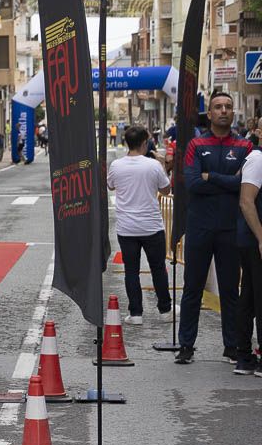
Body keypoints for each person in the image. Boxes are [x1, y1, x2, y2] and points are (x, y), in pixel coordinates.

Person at [176, 92, 253, 365]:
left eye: (228, 107)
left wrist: (212, 177)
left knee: (231, 290)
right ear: (209, 114)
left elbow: (245, 184)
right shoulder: (196, 144)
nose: (223, 111)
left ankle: (231, 346)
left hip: (231, 228)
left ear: (233, 113)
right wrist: (226, 181)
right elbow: (193, 183)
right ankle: (186, 345)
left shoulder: (245, 147)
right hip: (199, 227)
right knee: (192, 288)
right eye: (218, 107)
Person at [106, 125, 172, 325]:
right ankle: (165, 311)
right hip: (151, 226)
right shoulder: (152, 165)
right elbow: (167, 190)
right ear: (145, 143)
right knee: (158, 268)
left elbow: (110, 185)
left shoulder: (117, 165)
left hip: (127, 228)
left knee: (131, 270)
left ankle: (135, 314)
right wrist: (162, 164)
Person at [236, 142, 262, 376]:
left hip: (253, 239)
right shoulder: (257, 159)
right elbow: (246, 201)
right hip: (254, 240)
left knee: (251, 296)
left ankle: (244, 356)